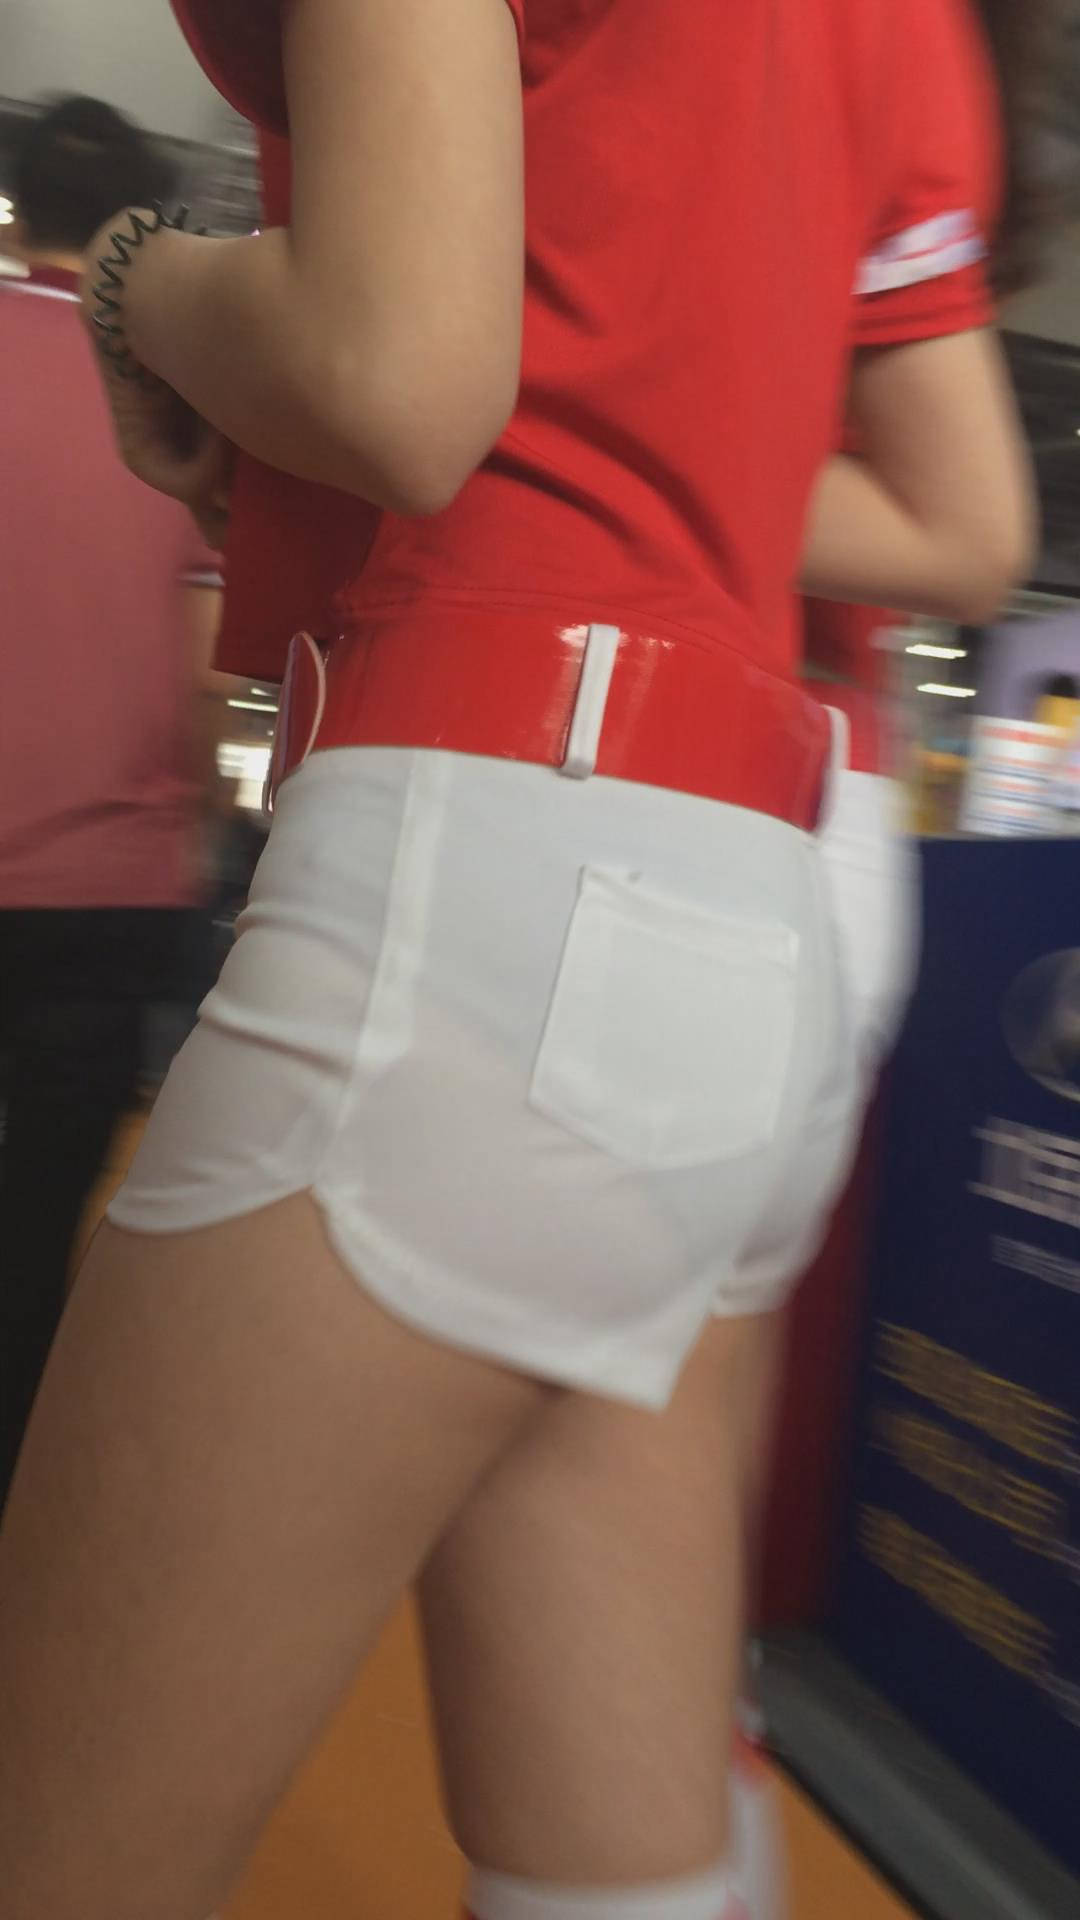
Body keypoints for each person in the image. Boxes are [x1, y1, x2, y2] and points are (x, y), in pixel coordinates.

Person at [0, 8, 1046, 1920]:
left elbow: (399, 376)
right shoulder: (896, 25)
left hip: (471, 857)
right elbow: (963, 515)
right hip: (739, 882)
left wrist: (143, 279)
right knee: (620, 1873)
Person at [0, 96, 233, 1514]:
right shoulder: (167, 401)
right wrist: (198, 816)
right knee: (34, 1244)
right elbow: (205, 677)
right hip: (102, 898)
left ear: (22, 207)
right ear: (135, 229)